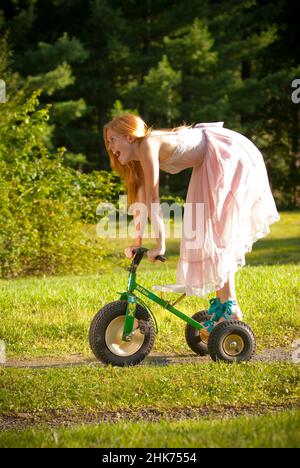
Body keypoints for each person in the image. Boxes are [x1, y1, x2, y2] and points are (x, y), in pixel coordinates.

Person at [103, 113, 280, 334]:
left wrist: (161, 245)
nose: (110, 147)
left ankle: (230, 307)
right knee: (205, 234)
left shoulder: (148, 143)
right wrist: (136, 241)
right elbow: (142, 202)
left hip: (225, 154)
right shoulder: (139, 160)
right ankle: (223, 305)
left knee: (214, 234)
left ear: (129, 137)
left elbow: (154, 198)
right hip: (208, 162)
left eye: (113, 140)